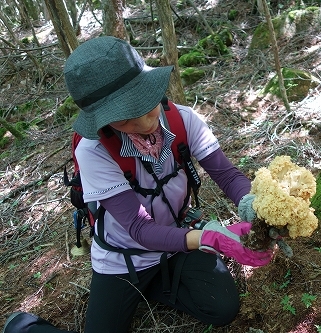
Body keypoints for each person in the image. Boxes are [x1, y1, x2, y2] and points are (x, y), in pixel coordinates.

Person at [2, 36, 269, 333]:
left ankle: (153, 288)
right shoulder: (93, 151)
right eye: (125, 118)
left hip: (176, 242)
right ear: (102, 120)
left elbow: (228, 176)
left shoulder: (183, 120)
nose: (145, 123)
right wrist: (208, 238)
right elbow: (139, 229)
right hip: (124, 258)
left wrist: (253, 206)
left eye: (146, 104)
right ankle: (24, 327)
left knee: (222, 308)